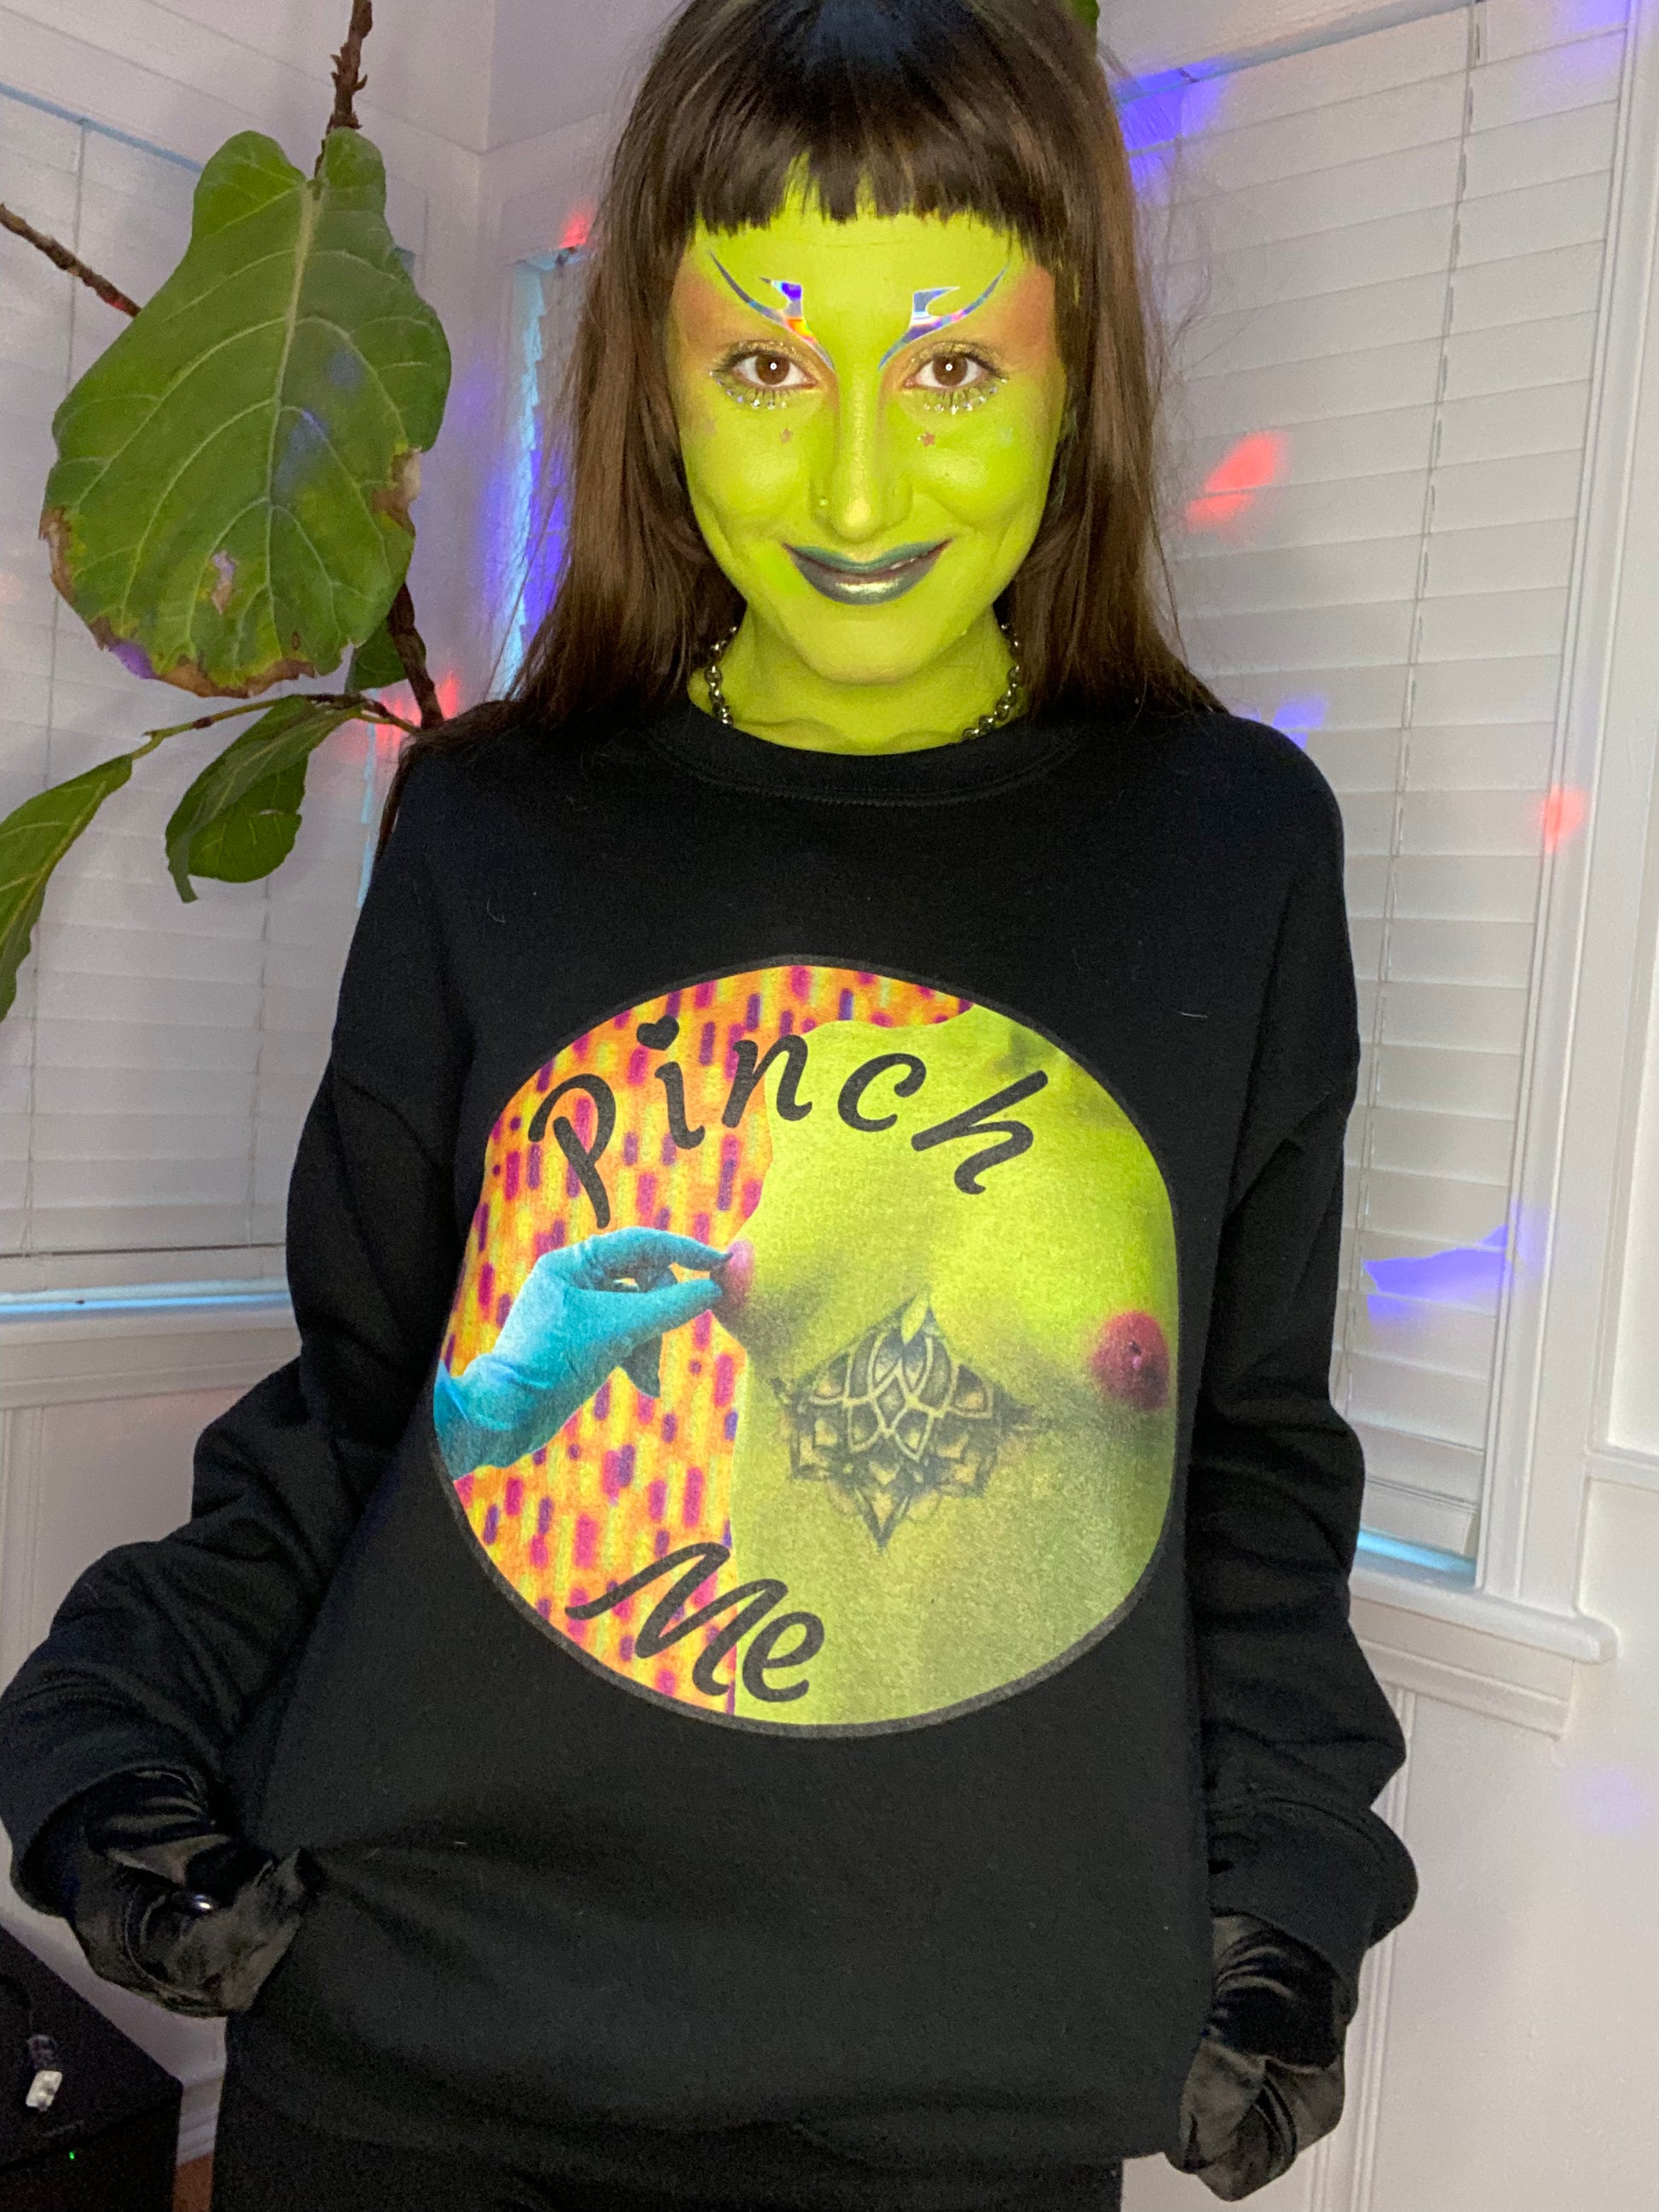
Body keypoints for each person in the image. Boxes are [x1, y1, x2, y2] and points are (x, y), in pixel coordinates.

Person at [0, 1, 1416, 2206]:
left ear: (1076, 370)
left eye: (947, 367)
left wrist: (1289, 1886)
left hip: (961, 2095)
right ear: (655, 378)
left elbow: (1244, 1458)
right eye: (764, 363)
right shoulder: (492, 826)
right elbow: (363, 1409)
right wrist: (113, 1727)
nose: (852, 488)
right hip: (413, 2045)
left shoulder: (1228, 851)